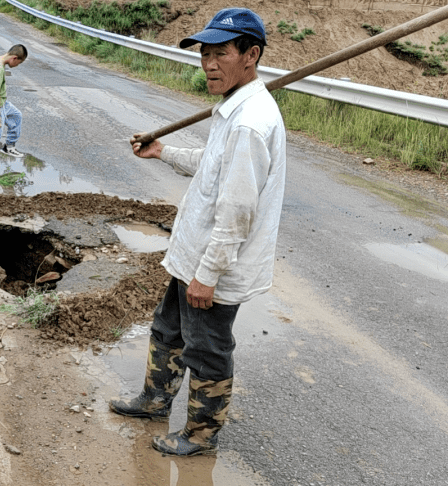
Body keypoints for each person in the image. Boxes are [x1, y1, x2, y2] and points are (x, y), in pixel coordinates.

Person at [110, 8, 286, 457]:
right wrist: (163, 152)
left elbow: (237, 212)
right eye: (205, 53)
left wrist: (207, 275)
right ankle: (154, 400)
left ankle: (200, 433)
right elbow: (211, 166)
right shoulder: (233, 107)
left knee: (206, 350)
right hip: (194, 254)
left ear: (251, 55)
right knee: (167, 331)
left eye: (220, 53)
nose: (208, 63)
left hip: (214, 266)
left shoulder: (249, 122)